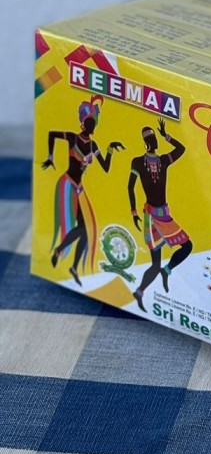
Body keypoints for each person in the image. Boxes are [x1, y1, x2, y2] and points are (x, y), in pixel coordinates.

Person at [41, 95, 124, 285]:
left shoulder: (93, 145)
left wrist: (110, 149)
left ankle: (72, 265)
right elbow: (52, 134)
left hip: (79, 188)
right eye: (88, 122)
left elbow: (105, 167)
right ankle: (59, 251)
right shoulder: (73, 138)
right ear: (83, 124)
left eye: (93, 123)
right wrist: (51, 157)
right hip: (68, 184)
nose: (91, 126)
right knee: (81, 227)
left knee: (86, 231)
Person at [128, 118, 192, 311]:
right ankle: (140, 291)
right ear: (146, 143)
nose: (154, 141)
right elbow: (130, 187)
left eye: (155, 137)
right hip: (151, 218)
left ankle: (168, 270)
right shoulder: (138, 162)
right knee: (155, 264)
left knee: (187, 245)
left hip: (165, 215)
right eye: (151, 138)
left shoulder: (163, 160)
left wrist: (167, 136)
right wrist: (133, 212)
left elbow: (181, 149)